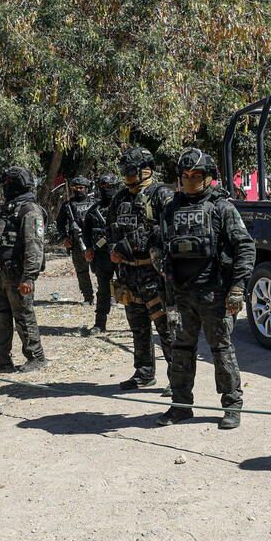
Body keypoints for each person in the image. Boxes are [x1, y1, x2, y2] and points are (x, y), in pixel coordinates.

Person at [156, 149, 255, 428]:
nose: (189, 181)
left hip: (216, 293)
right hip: (183, 294)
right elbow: (163, 247)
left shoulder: (222, 208)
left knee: (221, 350)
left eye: (196, 176)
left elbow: (245, 247)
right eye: (185, 176)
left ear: (208, 177)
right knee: (181, 350)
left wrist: (237, 288)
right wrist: (168, 294)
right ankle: (180, 406)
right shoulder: (171, 208)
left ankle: (232, 405)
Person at [106, 147, 174, 390]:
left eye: (130, 172)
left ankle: (177, 378)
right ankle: (144, 372)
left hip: (154, 274)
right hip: (128, 274)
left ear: (146, 170)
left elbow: (173, 232)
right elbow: (110, 231)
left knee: (166, 328)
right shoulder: (120, 198)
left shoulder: (161, 195)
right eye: (125, 173)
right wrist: (114, 249)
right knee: (138, 326)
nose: (127, 177)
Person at [0, 166, 49, 372]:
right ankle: (0, 359)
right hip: (0, 273)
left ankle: (36, 357)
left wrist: (29, 277)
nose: (5, 188)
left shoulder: (30, 210)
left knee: (23, 316)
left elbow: (34, 246)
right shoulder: (7, 209)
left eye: (9, 184)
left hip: (18, 274)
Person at [81, 174, 122, 335]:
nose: (106, 190)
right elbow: (86, 232)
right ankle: (100, 324)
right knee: (103, 290)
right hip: (102, 257)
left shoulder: (123, 207)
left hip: (121, 255)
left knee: (129, 289)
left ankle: (136, 326)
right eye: (103, 187)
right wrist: (89, 248)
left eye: (109, 187)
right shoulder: (94, 210)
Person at [56, 175, 97, 304]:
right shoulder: (68, 205)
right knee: (81, 271)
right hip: (77, 242)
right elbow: (60, 223)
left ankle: (106, 295)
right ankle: (88, 297)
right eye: (75, 188)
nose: (78, 190)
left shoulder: (94, 203)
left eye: (81, 188)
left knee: (102, 270)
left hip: (95, 241)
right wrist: (64, 238)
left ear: (86, 188)